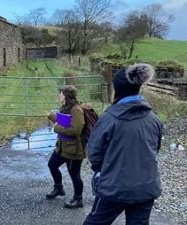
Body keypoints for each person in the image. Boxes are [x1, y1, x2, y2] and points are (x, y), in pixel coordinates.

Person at [83, 63, 162, 225]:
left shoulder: (109, 118)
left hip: (114, 187)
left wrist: (102, 170)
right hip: (146, 187)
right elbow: (155, 148)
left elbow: (94, 152)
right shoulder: (153, 118)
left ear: (116, 90)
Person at [46, 85, 85, 209]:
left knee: (74, 174)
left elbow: (75, 130)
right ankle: (59, 188)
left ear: (66, 96)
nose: (59, 95)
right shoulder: (64, 107)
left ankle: (78, 199)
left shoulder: (76, 110)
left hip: (74, 150)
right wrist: (52, 116)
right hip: (63, 147)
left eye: (61, 93)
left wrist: (56, 127)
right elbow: (63, 122)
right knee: (52, 164)